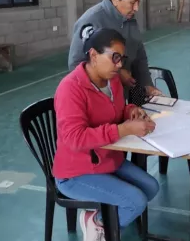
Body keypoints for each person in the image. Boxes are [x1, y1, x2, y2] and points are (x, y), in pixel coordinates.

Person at [53, 26, 159, 239]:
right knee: (135, 201)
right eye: (115, 58)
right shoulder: (70, 89)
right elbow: (75, 139)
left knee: (151, 187)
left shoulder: (112, 81)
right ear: (93, 55)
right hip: (77, 172)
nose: (120, 65)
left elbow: (117, 112)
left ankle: (103, 218)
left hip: (107, 160)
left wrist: (131, 112)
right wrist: (123, 129)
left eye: (122, 58)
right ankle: (98, 222)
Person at [68, 0, 162, 98]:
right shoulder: (91, 21)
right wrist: (116, 74)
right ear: (115, 0)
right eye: (133, 2)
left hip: (126, 94)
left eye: (139, 2)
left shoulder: (129, 20)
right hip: (100, 96)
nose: (136, 8)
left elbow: (139, 57)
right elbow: (76, 64)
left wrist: (147, 85)